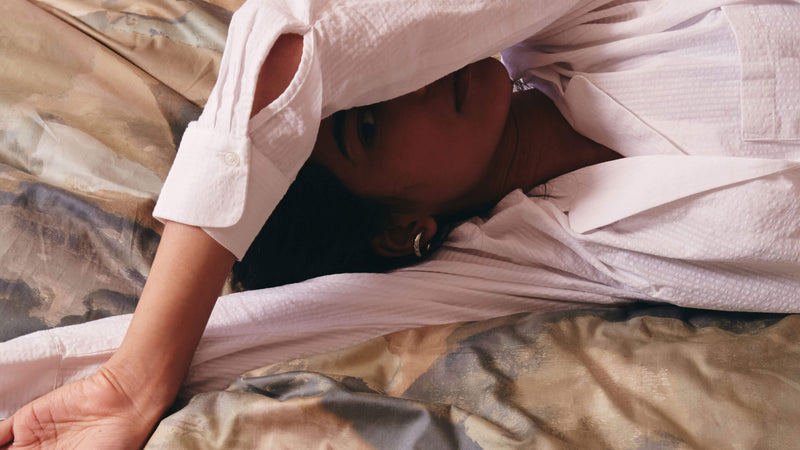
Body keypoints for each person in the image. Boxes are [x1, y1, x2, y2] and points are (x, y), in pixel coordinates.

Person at [2, 0, 799, 448]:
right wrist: (121, 392)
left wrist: (134, 373)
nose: (410, 83)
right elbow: (256, 331)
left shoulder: (584, 20)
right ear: (399, 230)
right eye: (369, 128)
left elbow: (296, 51)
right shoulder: (530, 257)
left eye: (380, 79)